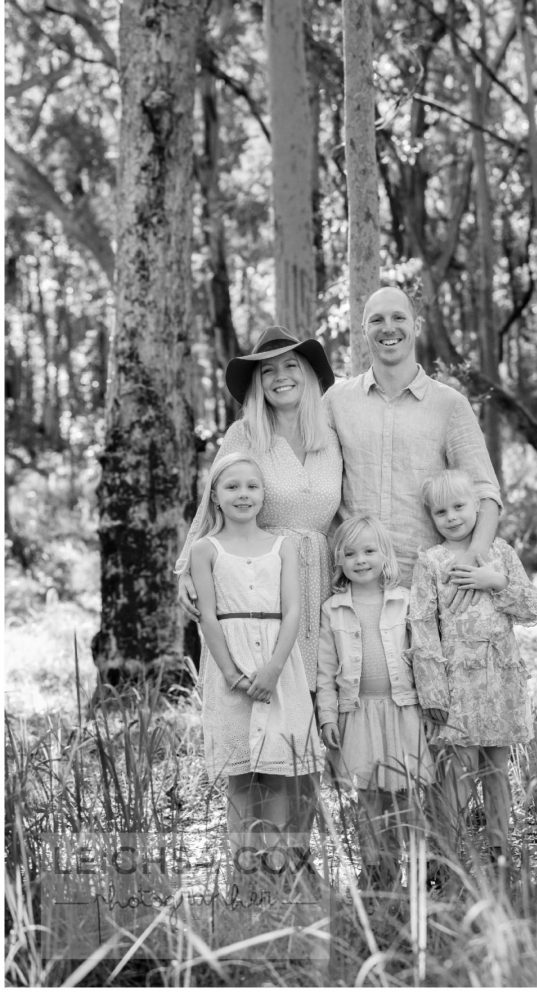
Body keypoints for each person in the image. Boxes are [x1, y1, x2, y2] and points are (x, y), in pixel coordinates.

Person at [176, 325, 342, 693]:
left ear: (308, 374)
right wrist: (186, 567)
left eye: (290, 366)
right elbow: (211, 500)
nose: (280, 377)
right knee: (265, 686)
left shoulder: (331, 436)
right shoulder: (245, 433)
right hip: (259, 577)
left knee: (322, 692)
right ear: (258, 384)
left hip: (321, 576)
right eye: (268, 371)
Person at [189, 451, 322, 879]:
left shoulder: (282, 547)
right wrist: (231, 673)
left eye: (251, 486)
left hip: (279, 667)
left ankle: (279, 869)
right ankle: (243, 872)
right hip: (229, 666)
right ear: (215, 495)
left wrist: (273, 669)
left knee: (278, 773)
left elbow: (294, 612)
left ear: (264, 494)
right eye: (232, 487)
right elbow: (208, 616)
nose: (243, 494)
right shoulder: (205, 549)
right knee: (241, 776)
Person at [409, 468, 537, 885]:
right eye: (441, 512)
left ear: (478, 508)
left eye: (459, 507)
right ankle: (448, 855)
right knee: (459, 770)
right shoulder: (432, 562)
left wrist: (495, 581)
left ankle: (501, 852)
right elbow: (422, 625)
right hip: (457, 685)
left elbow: (531, 608)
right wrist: (433, 689)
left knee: (497, 768)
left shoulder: (499, 552)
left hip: (499, 679)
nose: (451, 517)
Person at [324, 286, 502, 593]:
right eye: (377, 320)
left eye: (398, 317)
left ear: (416, 326)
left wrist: (476, 554)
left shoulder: (450, 404)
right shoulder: (336, 401)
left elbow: (485, 491)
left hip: (429, 585)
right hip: (355, 588)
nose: (388, 327)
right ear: (364, 330)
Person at [316, 515, 433, 893]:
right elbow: (326, 670)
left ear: (385, 556)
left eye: (369, 550)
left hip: (401, 710)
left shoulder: (403, 601)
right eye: (350, 553)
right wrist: (328, 717)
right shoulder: (332, 609)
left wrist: (432, 705)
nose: (360, 559)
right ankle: (375, 869)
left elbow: (424, 656)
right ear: (339, 561)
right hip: (359, 712)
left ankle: (410, 866)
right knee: (367, 798)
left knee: (404, 794)